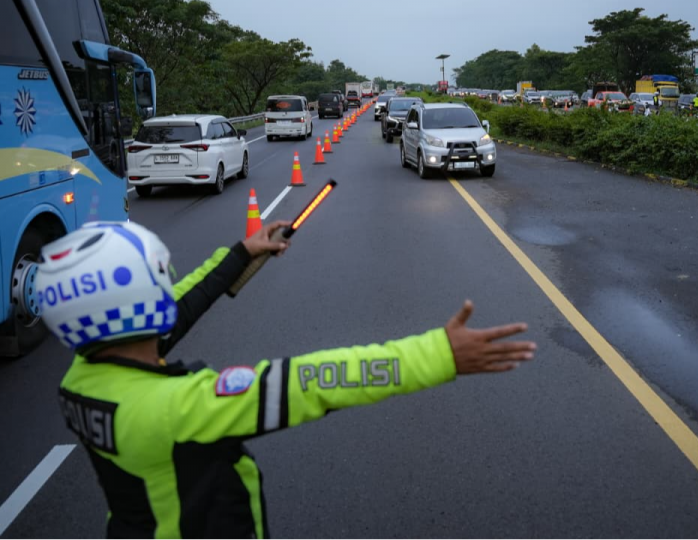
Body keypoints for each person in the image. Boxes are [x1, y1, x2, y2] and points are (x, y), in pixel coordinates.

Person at [36, 220, 536, 539]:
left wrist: (240, 254)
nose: (169, 288)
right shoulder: (181, 409)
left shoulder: (82, 380)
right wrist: (438, 354)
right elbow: (311, 382)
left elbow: (179, 306)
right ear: (147, 302)